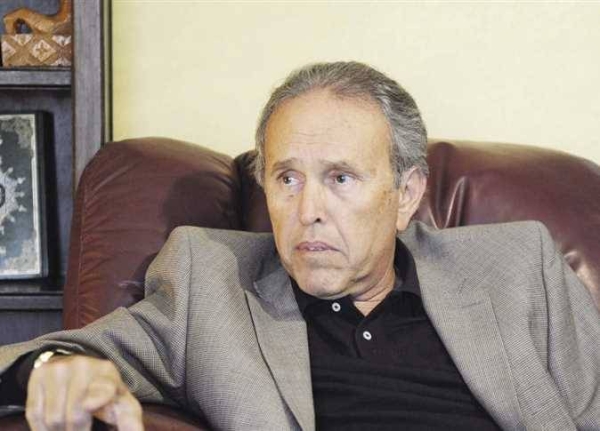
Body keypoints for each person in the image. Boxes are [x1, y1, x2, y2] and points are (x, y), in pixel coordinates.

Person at [0, 61, 599, 431]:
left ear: (406, 194)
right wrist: (52, 370)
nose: (308, 210)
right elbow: (35, 356)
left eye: (340, 178)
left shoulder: (518, 267)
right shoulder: (211, 285)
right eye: (287, 178)